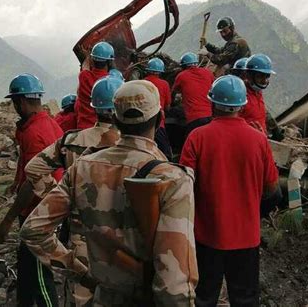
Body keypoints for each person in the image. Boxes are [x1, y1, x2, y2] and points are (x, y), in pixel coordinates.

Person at [20, 80, 198, 305]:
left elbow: (33, 230)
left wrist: (79, 271)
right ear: (160, 118)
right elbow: (174, 284)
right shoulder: (172, 178)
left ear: (116, 120)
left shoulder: (82, 168)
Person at [24, 75, 123, 306]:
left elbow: (34, 170)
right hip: (122, 244)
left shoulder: (71, 140)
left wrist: (60, 197)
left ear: (94, 107)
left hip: (81, 241)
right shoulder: (131, 148)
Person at [180, 75, 279, 307]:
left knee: (203, 296)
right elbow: (272, 189)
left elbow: (183, 187)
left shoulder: (197, 137)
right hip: (247, 237)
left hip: (206, 236)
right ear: (243, 105)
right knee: (245, 298)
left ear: (212, 104)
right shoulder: (259, 140)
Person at [0, 73, 63, 307]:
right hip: (46, 205)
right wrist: (16, 180)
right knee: (26, 263)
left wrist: (8, 219)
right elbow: (26, 164)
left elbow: (32, 184)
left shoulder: (35, 133)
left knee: (40, 274)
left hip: (39, 211)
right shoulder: (47, 124)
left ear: (20, 102)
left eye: (15, 102)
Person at [172, 51, 215, 137]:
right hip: (210, 116)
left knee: (190, 144)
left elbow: (173, 93)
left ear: (183, 66)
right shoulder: (208, 73)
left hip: (194, 118)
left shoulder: (181, 76)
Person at [75, 41, 114, 129]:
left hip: (83, 128)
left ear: (93, 60)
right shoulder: (111, 81)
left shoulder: (84, 76)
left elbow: (85, 66)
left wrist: (88, 56)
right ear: (110, 62)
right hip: (104, 129)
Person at [143, 57, 172, 159]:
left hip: (144, 125)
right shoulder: (165, 84)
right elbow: (168, 106)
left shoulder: (142, 83)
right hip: (159, 124)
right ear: (160, 71)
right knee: (166, 154)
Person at [239, 54, 276, 134]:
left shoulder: (258, 92)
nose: (264, 81)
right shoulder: (240, 96)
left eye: (267, 76)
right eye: (260, 76)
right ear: (248, 75)